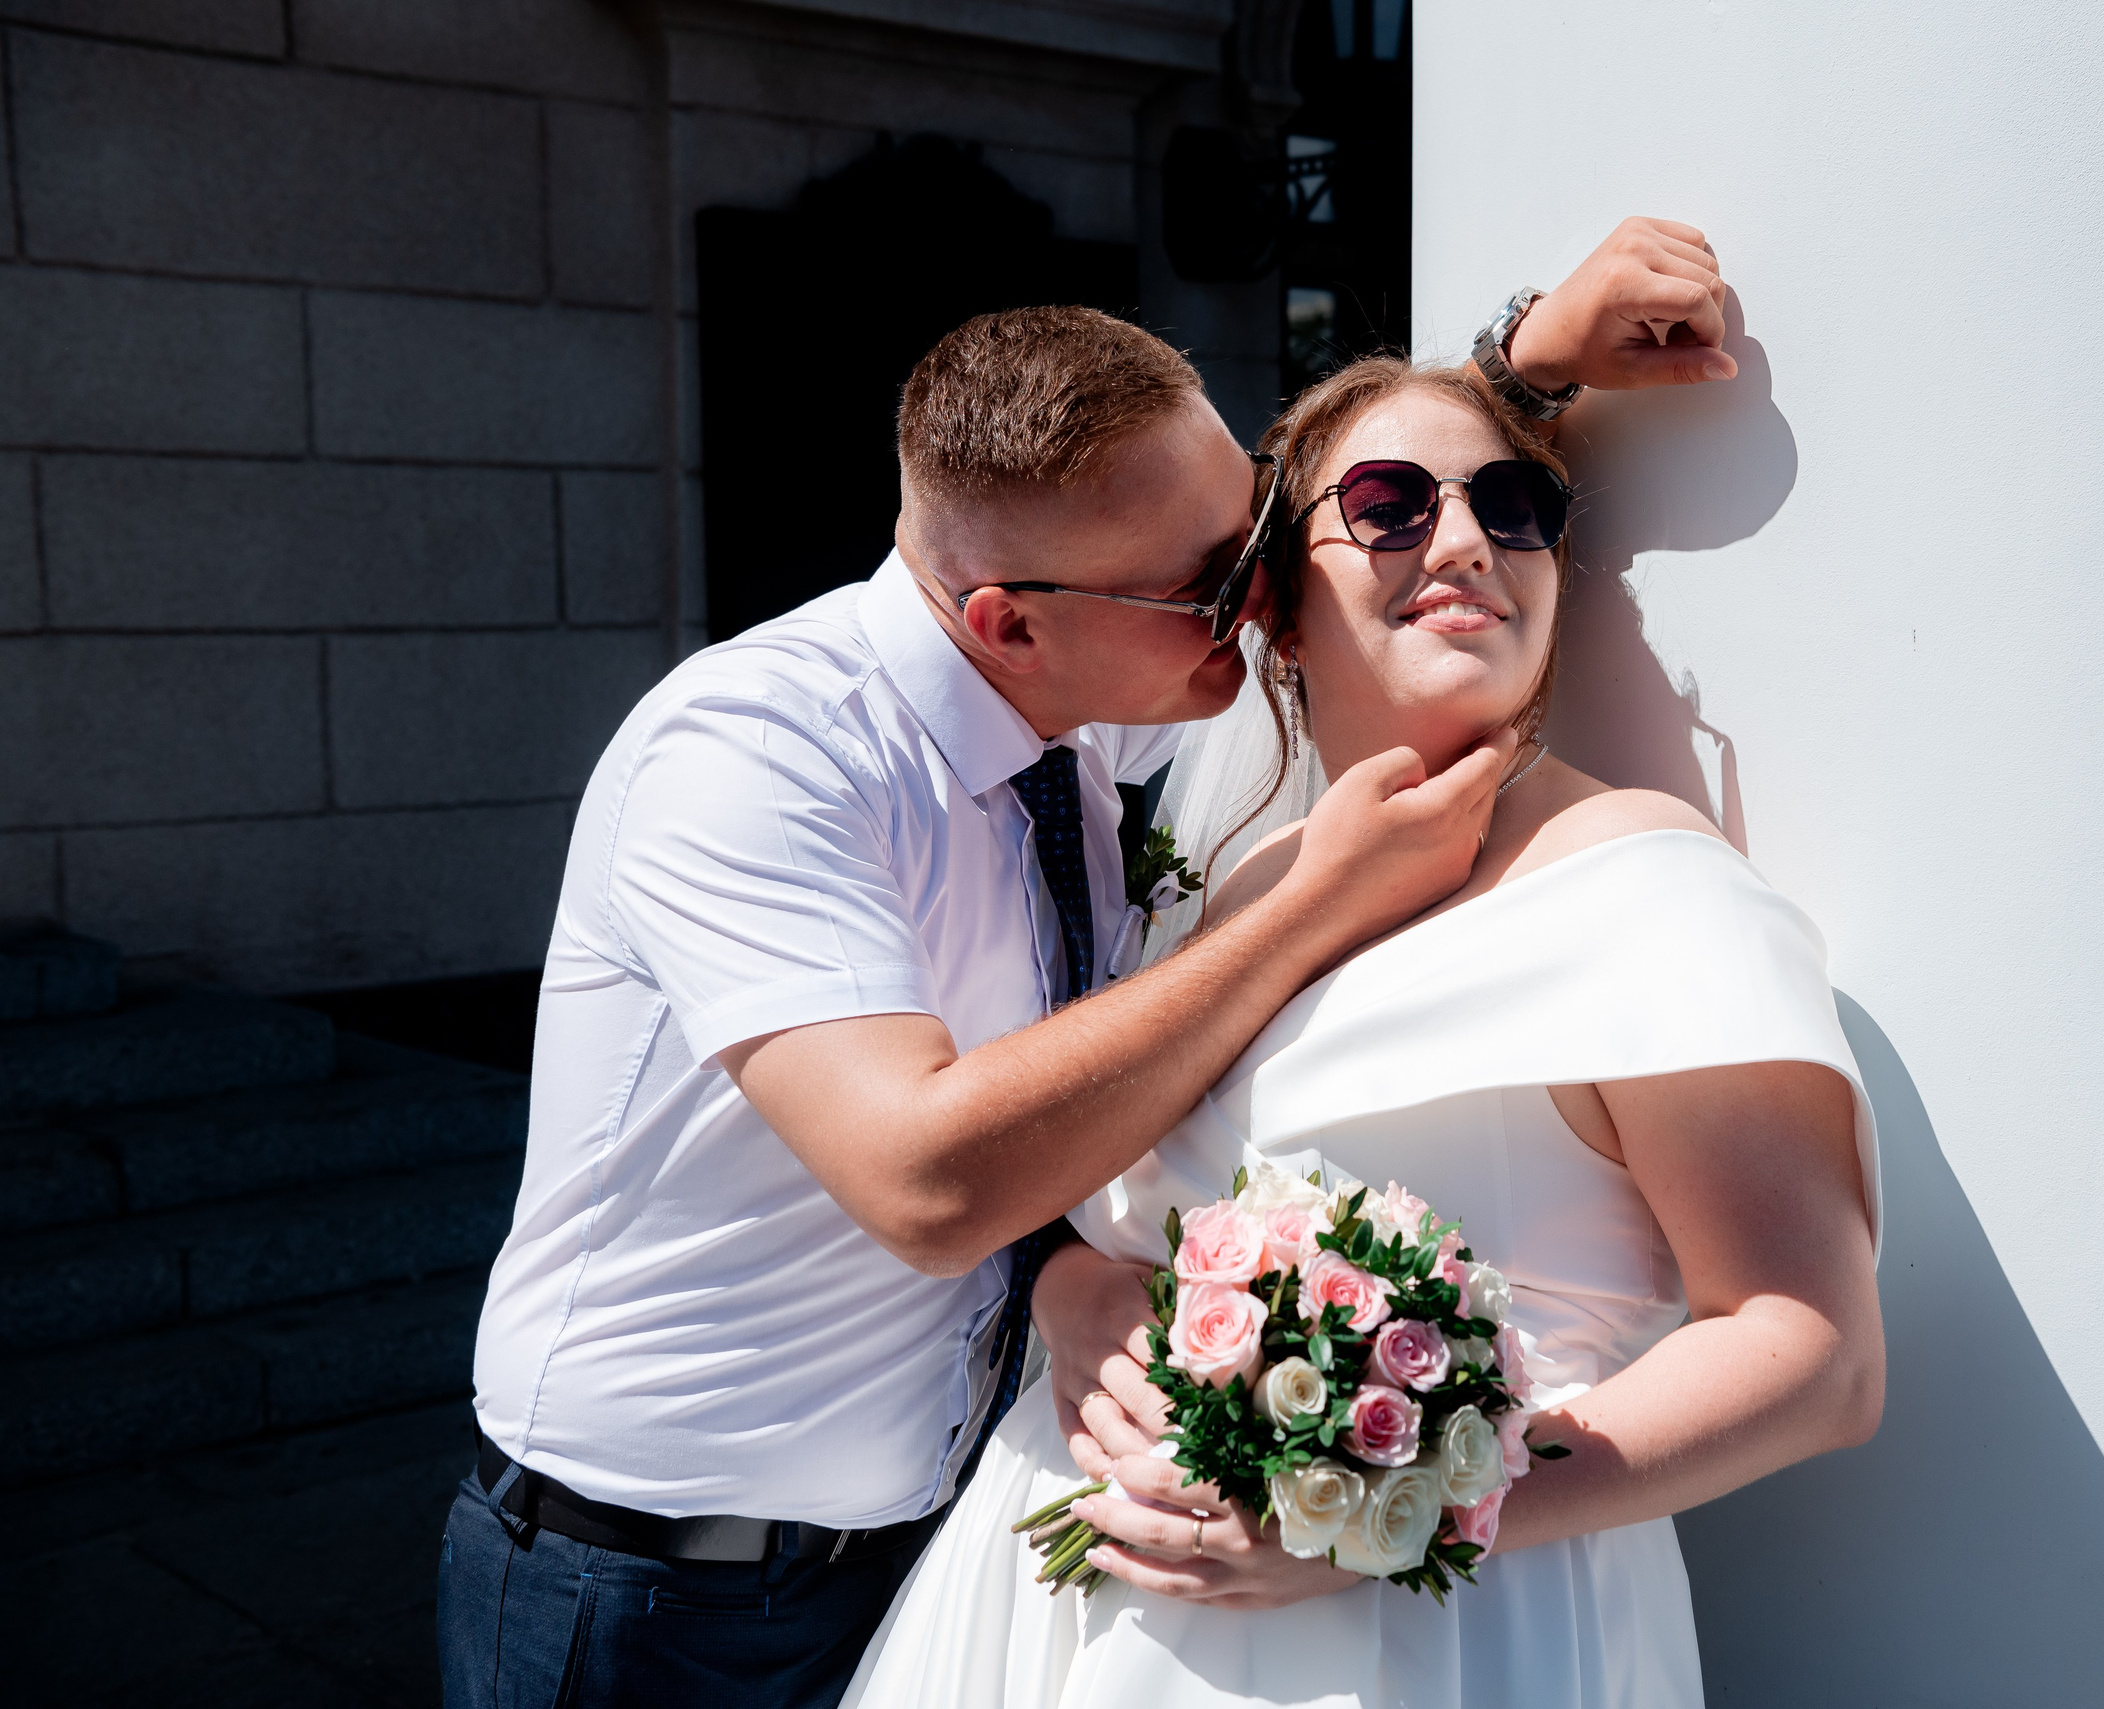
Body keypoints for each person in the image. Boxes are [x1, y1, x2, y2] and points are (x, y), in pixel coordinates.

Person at [438, 220, 1739, 1708]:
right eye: (1212, 582)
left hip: (931, 1535)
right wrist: (1313, 905)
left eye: (1255, 537)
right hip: (662, 1590)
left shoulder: (1107, 675)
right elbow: (929, 1180)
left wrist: (1522, 364)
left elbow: (1364, 523)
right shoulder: (749, 758)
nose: (1253, 602)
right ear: (1008, 624)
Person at [843, 351, 1884, 1708]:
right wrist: (1078, 1289)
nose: (1463, 539)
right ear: (1272, 601)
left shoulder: (1649, 891)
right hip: (1065, 1610)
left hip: (1443, 1639)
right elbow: (1119, 1195)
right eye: (1389, 503)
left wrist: (1402, 1506)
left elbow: (1815, 1352)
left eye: (1514, 504)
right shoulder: (1238, 880)